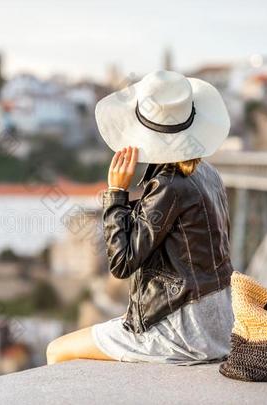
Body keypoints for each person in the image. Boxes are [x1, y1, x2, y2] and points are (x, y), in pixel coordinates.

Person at [46, 70, 235, 365]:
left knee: (57, 350)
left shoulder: (168, 185)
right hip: (221, 321)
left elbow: (121, 263)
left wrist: (116, 193)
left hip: (185, 332)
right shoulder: (207, 173)